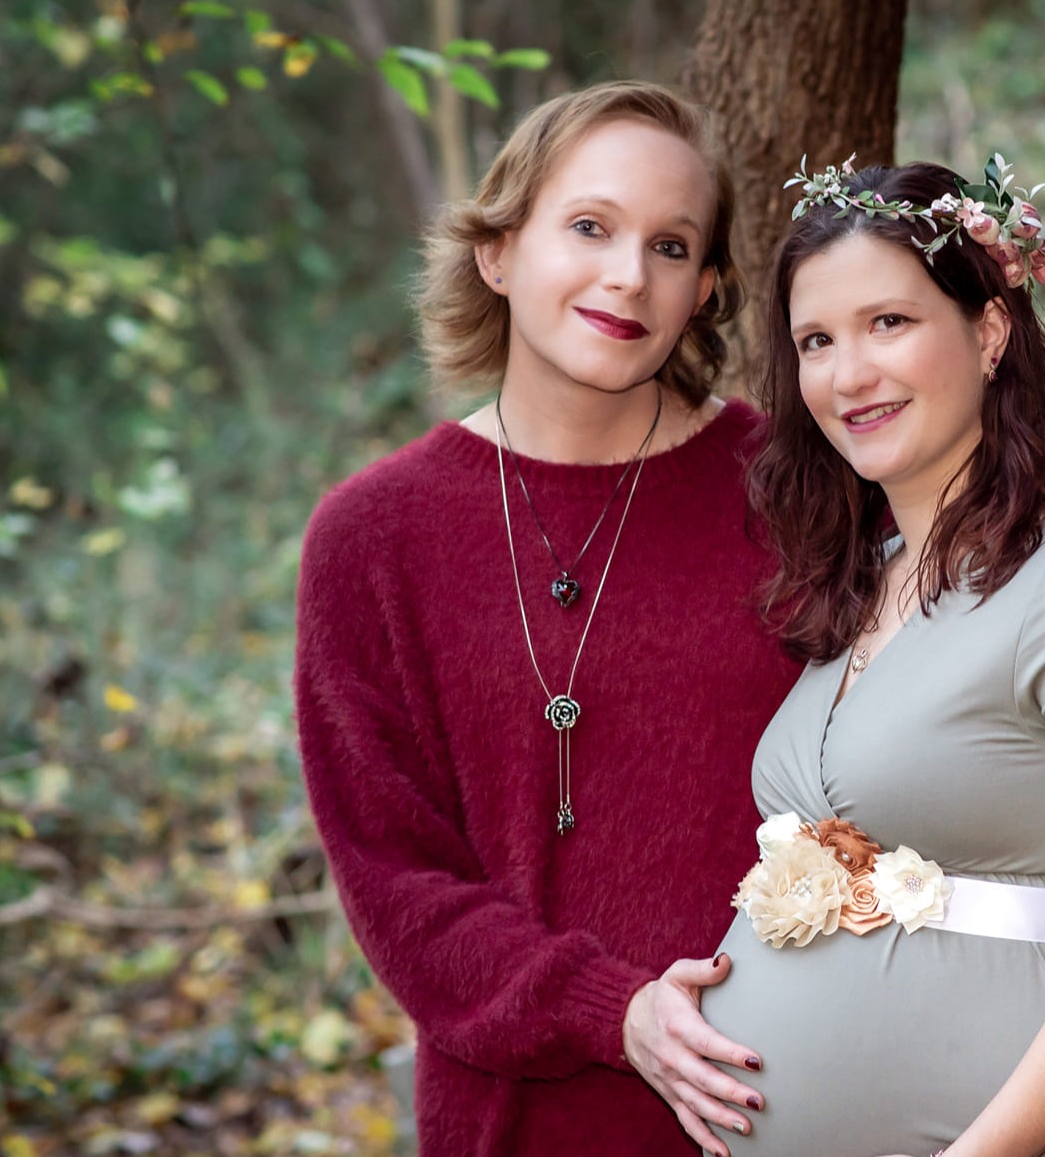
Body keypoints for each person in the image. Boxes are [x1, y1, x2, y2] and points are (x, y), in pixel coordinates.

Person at [292, 81, 798, 1155]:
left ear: (705, 289)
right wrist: (612, 1011)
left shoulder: (796, 494)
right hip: (512, 1124)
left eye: (671, 246)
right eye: (589, 227)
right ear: (497, 251)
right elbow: (395, 880)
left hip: (794, 1103)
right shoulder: (369, 538)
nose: (629, 275)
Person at [697, 156, 1045, 1156]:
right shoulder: (863, 581)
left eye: (888, 322)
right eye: (816, 340)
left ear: (988, 332)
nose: (848, 374)